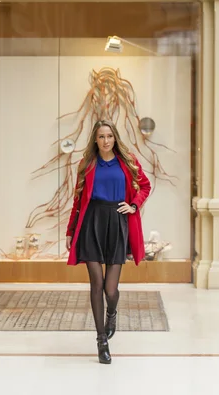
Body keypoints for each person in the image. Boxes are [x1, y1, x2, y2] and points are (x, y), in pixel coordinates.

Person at [66, 119, 151, 364]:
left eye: (110, 136)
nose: (106, 141)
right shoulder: (87, 164)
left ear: (115, 138)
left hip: (117, 222)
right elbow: (77, 199)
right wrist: (71, 231)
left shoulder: (128, 161)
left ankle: (111, 312)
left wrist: (133, 205)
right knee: (97, 282)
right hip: (91, 222)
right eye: (102, 137)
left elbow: (145, 186)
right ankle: (101, 340)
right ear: (95, 139)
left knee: (110, 290)